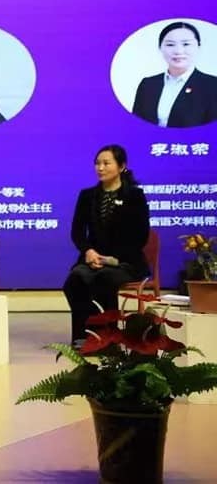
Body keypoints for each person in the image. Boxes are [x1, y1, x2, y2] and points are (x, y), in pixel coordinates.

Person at [63, 144, 150, 347]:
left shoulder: (134, 196)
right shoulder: (87, 196)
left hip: (125, 262)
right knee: (74, 281)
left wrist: (112, 259)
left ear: (121, 166)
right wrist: (88, 251)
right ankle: (84, 335)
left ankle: (108, 337)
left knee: (104, 279)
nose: (100, 168)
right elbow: (77, 232)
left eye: (106, 163)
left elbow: (141, 235)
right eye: (97, 163)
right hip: (93, 260)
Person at [132, 22, 217, 128]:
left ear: (198, 47)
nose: (178, 51)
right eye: (170, 45)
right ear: (160, 48)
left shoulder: (212, 85)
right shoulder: (148, 84)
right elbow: (135, 126)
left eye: (186, 44)